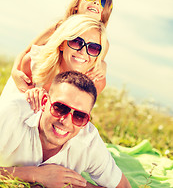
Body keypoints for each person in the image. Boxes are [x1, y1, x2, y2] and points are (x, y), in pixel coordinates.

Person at [0, 71, 131, 188]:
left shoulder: (88, 143)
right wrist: (34, 174)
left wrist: (76, 184)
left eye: (79, 116)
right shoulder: (11, 114)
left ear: (87, 122)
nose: (66, 121)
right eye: (60, 107)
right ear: (45, 102)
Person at [11, 0, 113, 93]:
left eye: (103, 1)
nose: (96, 2)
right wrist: (15, 71)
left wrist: (103, 64)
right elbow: (27, 52)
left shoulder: (101, 43)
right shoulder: (58, 28)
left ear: (103, 15)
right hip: (37, 82)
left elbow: (91, 64)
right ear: (76, 4)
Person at [0, 14, 107, 111]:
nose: (83, 51)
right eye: (76, 41)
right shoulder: (33, 63)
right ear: (62, 44)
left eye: (93, 48)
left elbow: (72, 117)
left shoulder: (96, 83)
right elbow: (17, 109)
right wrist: (30, 95)